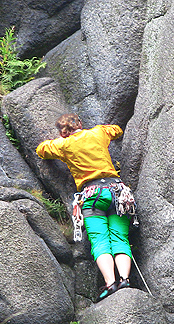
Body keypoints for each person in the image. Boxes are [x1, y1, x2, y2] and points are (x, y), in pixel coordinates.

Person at [36, 113, 136, 302]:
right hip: (117, 192)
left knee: (99, 240)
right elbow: (117, 130)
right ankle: (125, 279)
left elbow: (41, 150)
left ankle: (111, 283)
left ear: (63, 131)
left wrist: (61, 140)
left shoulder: (63, 145)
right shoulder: (98, 133)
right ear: (80, 123)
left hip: (92, 195)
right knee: (120, 237)